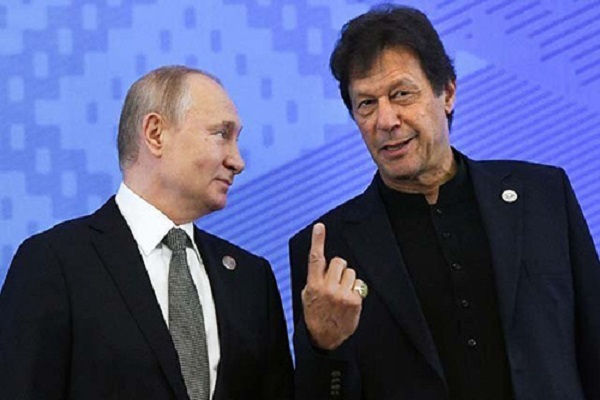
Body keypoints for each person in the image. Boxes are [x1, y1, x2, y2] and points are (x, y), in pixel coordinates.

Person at [289, 5, 600, 400]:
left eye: (401, 94)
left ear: (448, 93)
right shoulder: (327, 249)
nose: (386, 120)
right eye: (366, 104)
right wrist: (324, 346)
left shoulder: (543, 196)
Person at [0, 66, 293, 400]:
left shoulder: (251, 279)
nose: (237, 161)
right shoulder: (54, 263)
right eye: (221, 134)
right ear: (155, 134)